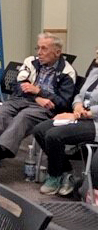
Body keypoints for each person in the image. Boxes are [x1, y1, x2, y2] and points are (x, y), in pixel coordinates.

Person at [0, 32, 76, 181]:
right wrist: (36, 96)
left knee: (22, 118)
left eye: (44, 49)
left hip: (44, 109)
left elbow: (63, 103)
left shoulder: (67, 72)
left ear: (57, 52)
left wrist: (39, 91)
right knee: (0, 114)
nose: (39, 53)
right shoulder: (31, 62)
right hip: (22, 100)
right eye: (38, 48)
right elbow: (17, 85)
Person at [33, 49, 98, 195]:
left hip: (94, 122)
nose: (96, 51)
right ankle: (66, 172)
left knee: (54, 135)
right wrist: (77, 106)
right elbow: (79, 95)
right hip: (80, 115)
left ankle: (54, 176)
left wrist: (85, 113)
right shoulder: (94, 72)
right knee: (40, 130)